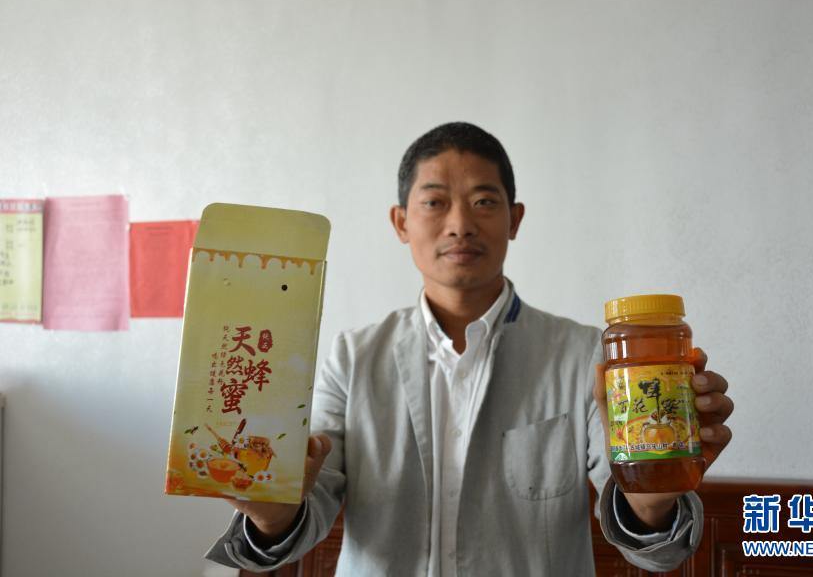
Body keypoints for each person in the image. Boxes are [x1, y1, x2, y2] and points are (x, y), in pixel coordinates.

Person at [206, 122, 734, 576]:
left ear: (514, 219)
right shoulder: (353, 357)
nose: (460, 224)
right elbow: (308, 503)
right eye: (434, 202)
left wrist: (652, 499)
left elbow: (650, 542)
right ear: (401, 222)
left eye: (484, 202)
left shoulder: (584, 355)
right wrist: (270, 511)